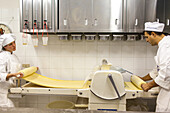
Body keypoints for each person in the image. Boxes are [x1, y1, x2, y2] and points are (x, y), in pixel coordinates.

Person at [140, 22, 170, 112]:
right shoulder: (163, 45)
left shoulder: (166, 47)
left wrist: (148, 85)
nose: (147, 40)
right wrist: (142, 79)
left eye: (147, 37)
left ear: (153, 34)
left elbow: (165, 74)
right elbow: (157, 70)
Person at [0, 34, 23, 107]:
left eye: (14, 43)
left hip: (11, 89)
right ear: (4, 46)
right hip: (2, 92)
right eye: (10, 44)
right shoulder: (2, 57)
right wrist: (13, 75)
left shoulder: (14, 56)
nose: (14, 45)